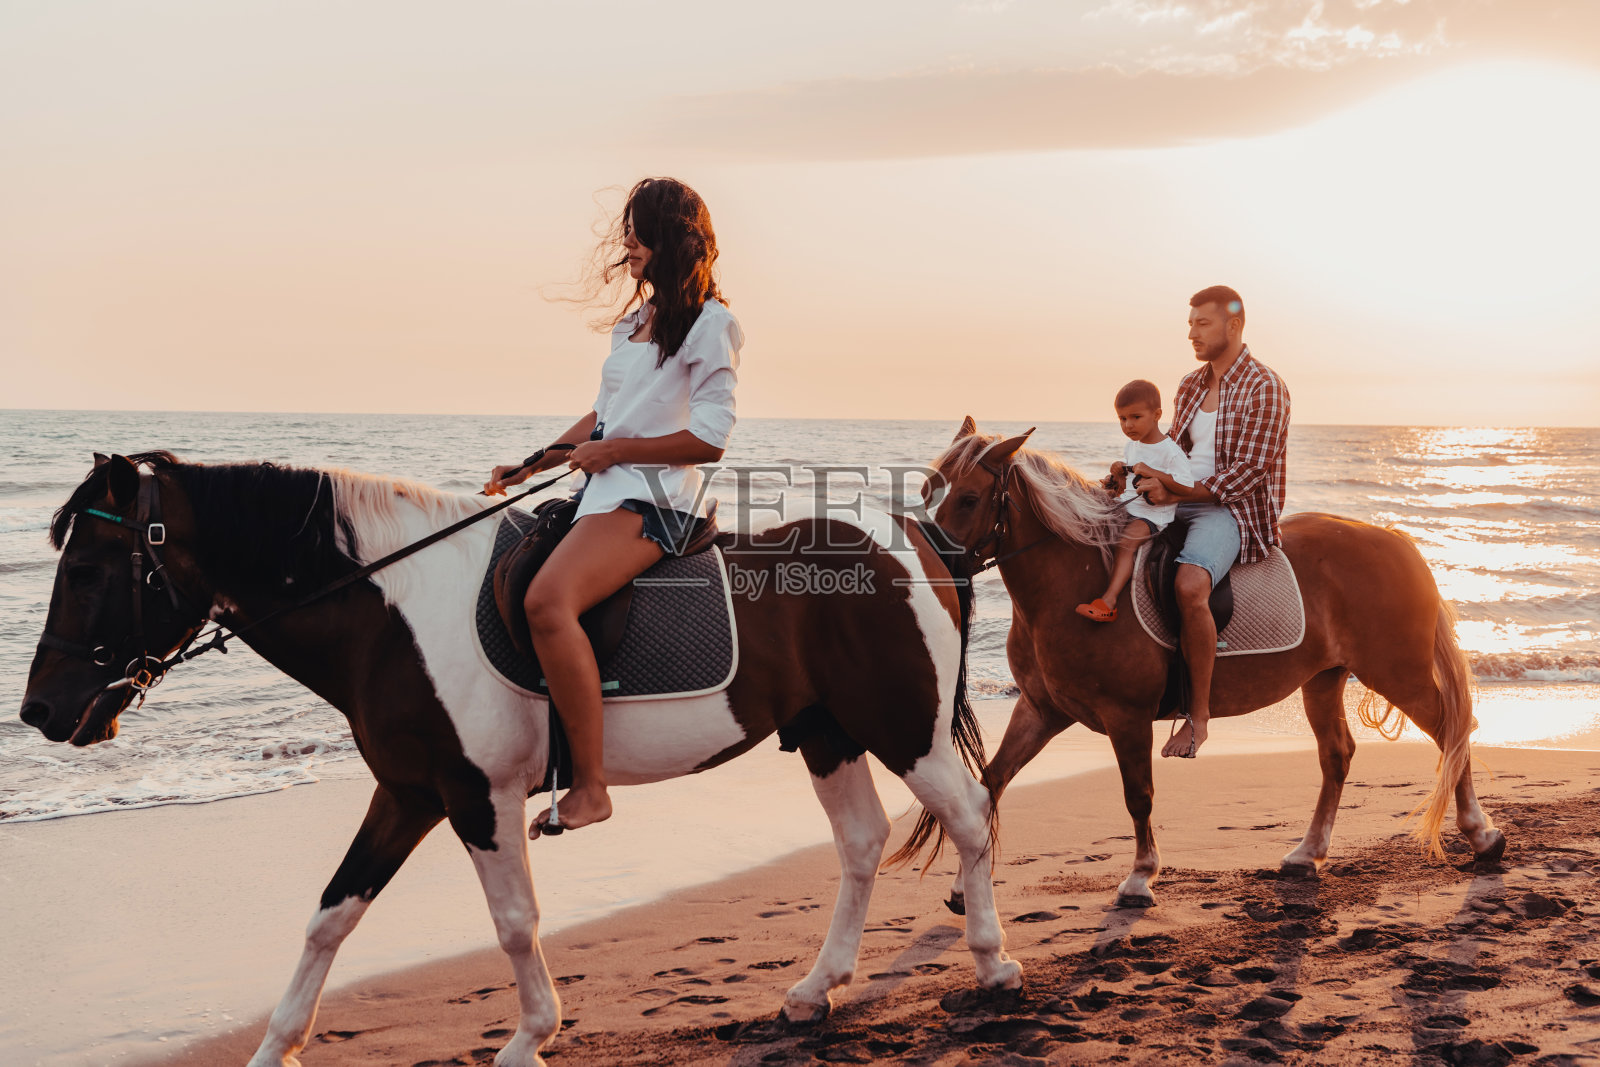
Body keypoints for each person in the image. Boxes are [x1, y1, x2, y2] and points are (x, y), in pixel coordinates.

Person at [485, 177, 742, 835]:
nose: (627, 238)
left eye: (638, 226)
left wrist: (617, 448)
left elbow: (710, 438)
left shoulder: (713, 325)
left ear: (670, 237)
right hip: (601, 493)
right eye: (628, 226)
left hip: (659, 501)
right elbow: (604, 417)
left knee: (547, 600)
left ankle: (592, 785)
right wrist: (535, 461)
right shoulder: (633, 324)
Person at [1135, 285, 1289, 759]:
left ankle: (1196, 717)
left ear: (1234, 325)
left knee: (1189, 586)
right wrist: (1139, 472)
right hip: (1181, 497)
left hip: (1232, 511)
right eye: (1190, 324)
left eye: (1202, 324)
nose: (1192, 333)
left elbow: (1246, 474)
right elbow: (1175, 450)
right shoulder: (1190, 384)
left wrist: (1172, 489)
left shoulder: (1265, 386)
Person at [1078, 379, 1193, 622]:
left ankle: (1109, 601)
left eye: (1135, 417)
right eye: (1122, 419)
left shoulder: (1170, 451)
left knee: (1127, 542)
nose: (1128, 425)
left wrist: (1155, 473)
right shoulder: (1132, 446)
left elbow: (1186, 486)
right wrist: (1118, 475)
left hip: (1153, 515)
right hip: (1130, 507)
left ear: (1157, 415)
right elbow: (1127, 486)